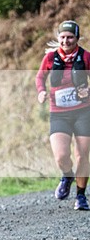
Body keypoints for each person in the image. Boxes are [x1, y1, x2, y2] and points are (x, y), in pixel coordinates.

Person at [36, 20, 90, 210]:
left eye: (70, 37)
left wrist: (88, 91)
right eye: (62, 37)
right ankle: (67, 175)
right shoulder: (50, 57)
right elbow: (40, 77)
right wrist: (41, 91)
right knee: (61, 156)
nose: (66, 41)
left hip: (83, 113)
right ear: (58, 38)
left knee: (82, 155)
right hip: (59, 114)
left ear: (77, 38)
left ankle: (81, 196)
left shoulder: (86, 57)